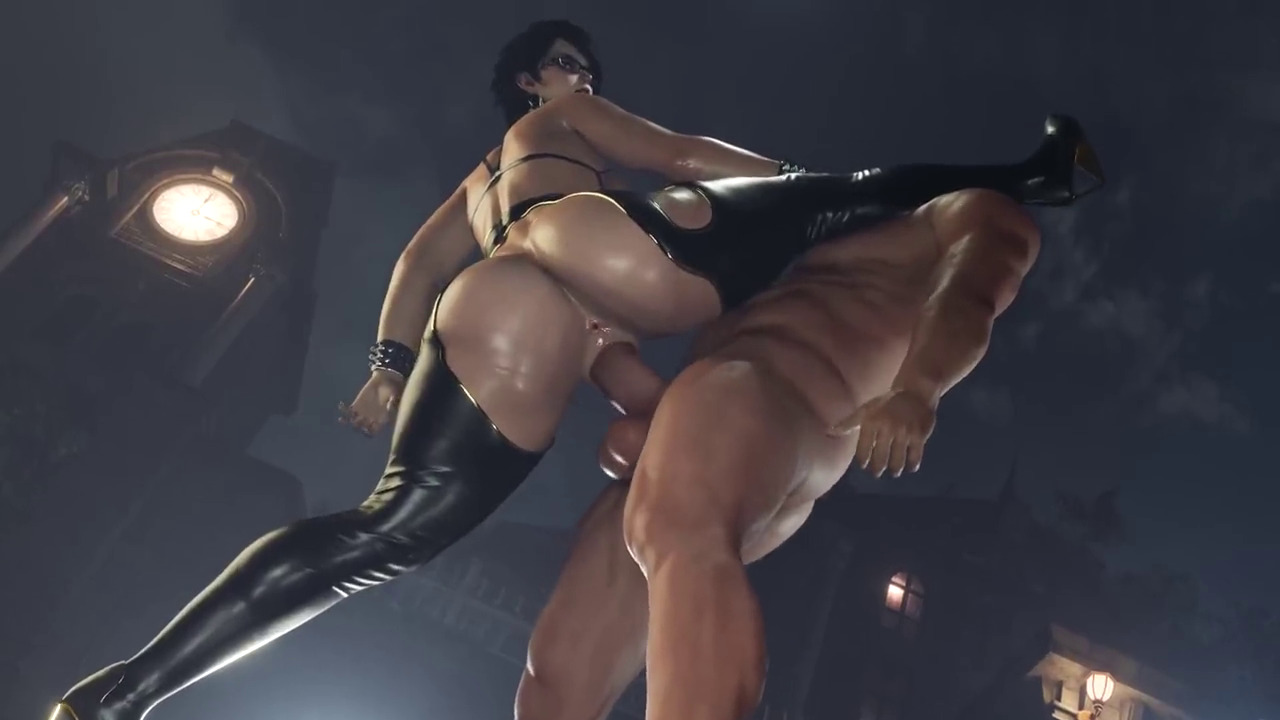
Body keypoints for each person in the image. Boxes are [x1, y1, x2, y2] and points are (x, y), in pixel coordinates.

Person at [49, 17, 1101, 720]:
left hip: (510, 303)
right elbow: (680, 154)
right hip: (599, 247)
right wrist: (792, 184)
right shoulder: (561, 124)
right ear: (531, 82)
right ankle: (1033, 173)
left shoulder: (478, 188)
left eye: (585, 70)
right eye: (565, 63)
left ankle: (124, 691)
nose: (583, 78)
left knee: (386, 531)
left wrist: (386, 367)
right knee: (832, 193)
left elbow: (418, 267)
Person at [514, 186, 1093, 720]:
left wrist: (918, 387)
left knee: (677, 525)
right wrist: (608, 359)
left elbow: (969, 294)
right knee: (560, 675)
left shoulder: (965, 216)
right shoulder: (810, 227)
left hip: (784, 402)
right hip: (706, 421)